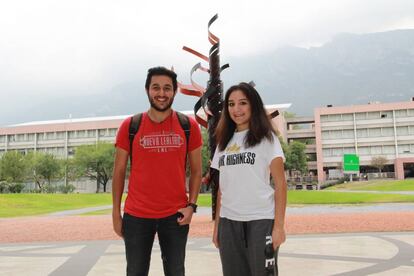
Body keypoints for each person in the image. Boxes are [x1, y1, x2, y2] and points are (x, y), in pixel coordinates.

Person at [112, 66, 203, 276]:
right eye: (156, 88)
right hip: (136, 215)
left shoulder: (188, 126)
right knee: (135, 271)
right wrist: (116, 214)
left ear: (174, 92)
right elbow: (118, 172)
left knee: (175, 271)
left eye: (167, 88)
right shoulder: (130, 125)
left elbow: (197, 171)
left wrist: (192, 206)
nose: (161, 93)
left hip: (176, 215)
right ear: (147, 90)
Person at [211, 82, 287, 276]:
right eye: (231, 104)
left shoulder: (267, 139)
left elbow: (280, 184)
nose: (236, 109)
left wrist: (278, 227)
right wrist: (217, 227)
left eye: (242, 103)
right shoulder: (223, 142)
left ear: (253, 105)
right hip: (229, 222)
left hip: (260, 221)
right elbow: (222, 189)